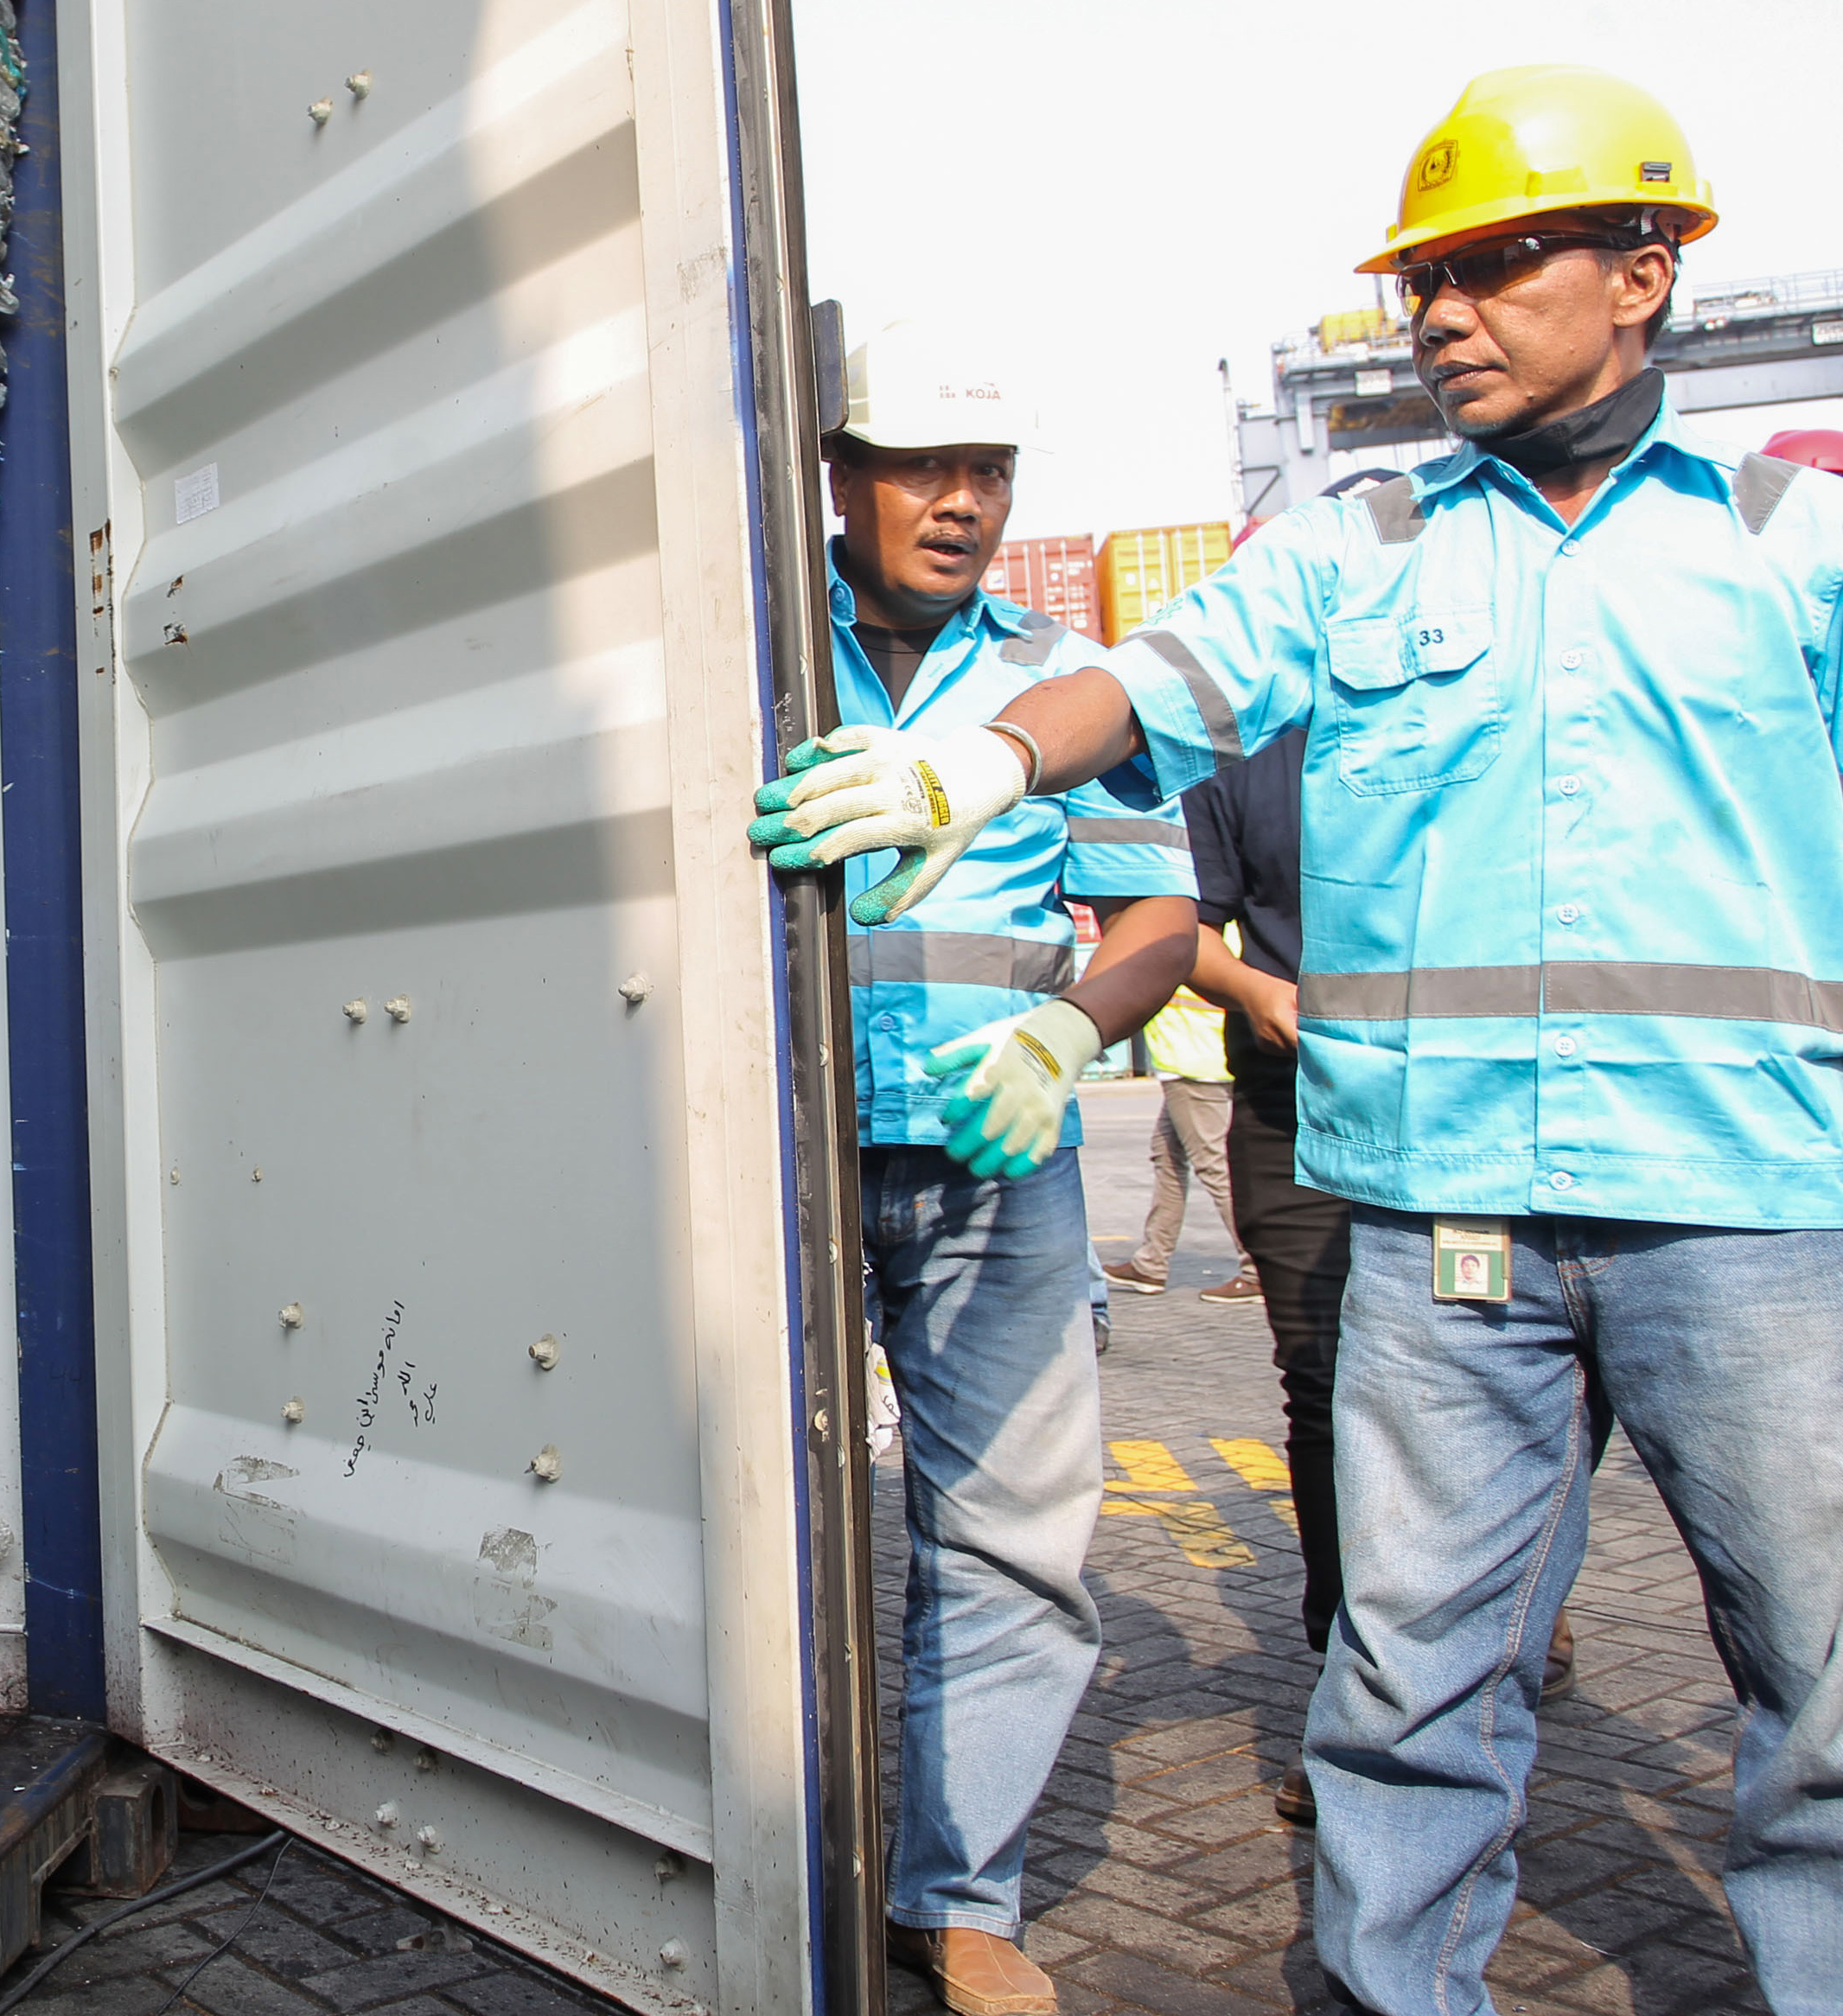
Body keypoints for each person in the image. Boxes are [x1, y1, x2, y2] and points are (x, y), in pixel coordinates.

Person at [753, 66, 1843, 2016]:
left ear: (1645, 275)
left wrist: (1051, 991)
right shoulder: (1353, 547)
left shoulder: (1794, 549)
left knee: (1820, 1690)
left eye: (1494, 263)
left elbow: (1143, 896)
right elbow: (1151, 680)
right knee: (1405, 1688)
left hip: (1738, 1214)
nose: (1438, 310)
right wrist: (973, 760)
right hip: (1441, 1230)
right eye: (1423, 274)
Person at [798, 320, 1200, 2016]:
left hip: (993, 1160)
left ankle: (954, 1894)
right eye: (917, 467)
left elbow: (1157, 922)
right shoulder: (745, 648)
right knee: (734, 1519)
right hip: (780, 1158)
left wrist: (1064, 1034)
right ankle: (730, 1842)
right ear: (837, 473)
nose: (957, 503)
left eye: (987, 473)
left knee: (1010, 1532)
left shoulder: (1060, 677)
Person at [1106, 974, 1256, 1302]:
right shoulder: (1219, 931)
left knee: (1214, 1167)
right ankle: (1151, 1263)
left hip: (1193, 1063)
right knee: (1167, 1159)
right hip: (1193, 1059)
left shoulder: (1191, 933)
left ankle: (1256, 1269)